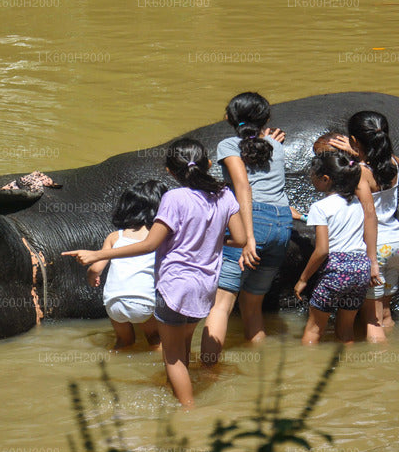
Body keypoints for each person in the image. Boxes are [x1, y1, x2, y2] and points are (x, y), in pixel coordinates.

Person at [65, 139, 243, 409]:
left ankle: (189, 410)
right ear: (208, 164)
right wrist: (209, 242)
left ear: (170, 171)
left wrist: (98, 254)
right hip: (205, 285)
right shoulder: (225, 195)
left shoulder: (173, 198)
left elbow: (149, 244)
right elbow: (240, 238)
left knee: (173, 357)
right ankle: (182, 390)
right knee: (183, 345)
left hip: (174, 286)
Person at [201, 93, 293, 365]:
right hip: (282, 225)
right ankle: (260, 368)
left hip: (253, 222)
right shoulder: (276, 147)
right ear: (265, 119)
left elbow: (243, 186)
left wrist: (248, 238)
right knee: (252, 306)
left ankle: (207, 371)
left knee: (221, 305)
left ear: (230, 118)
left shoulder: (228, 145)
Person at [328, 111, 399, 342]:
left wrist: (371, 261)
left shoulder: (361, 173)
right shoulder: (394, 163)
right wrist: (358, 151)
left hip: (376, 246)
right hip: (396, 243)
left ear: (353, 140)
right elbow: (383, 157)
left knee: (372, 319)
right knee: (386, 313)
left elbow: (369, 215)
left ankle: (377, 369)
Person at [295, 151, 370, 345]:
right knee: (346, 331)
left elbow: (322, 250)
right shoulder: (357, 202)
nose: (311, 178)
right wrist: (303, 217)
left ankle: (307, 370)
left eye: (313, 175)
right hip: (361, 268)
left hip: (336, 271)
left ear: (326, 179)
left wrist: (303, 279)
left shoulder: (320, 207)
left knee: (314, 330)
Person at [85, 180, 169, 350]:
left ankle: (113, 370)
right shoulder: (159, 237)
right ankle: (161, 373)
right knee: (155, 340)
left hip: (113, 304)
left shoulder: (114, 237)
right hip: (144, 302)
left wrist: (92, 277)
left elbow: (96, 268)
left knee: (124, 342)